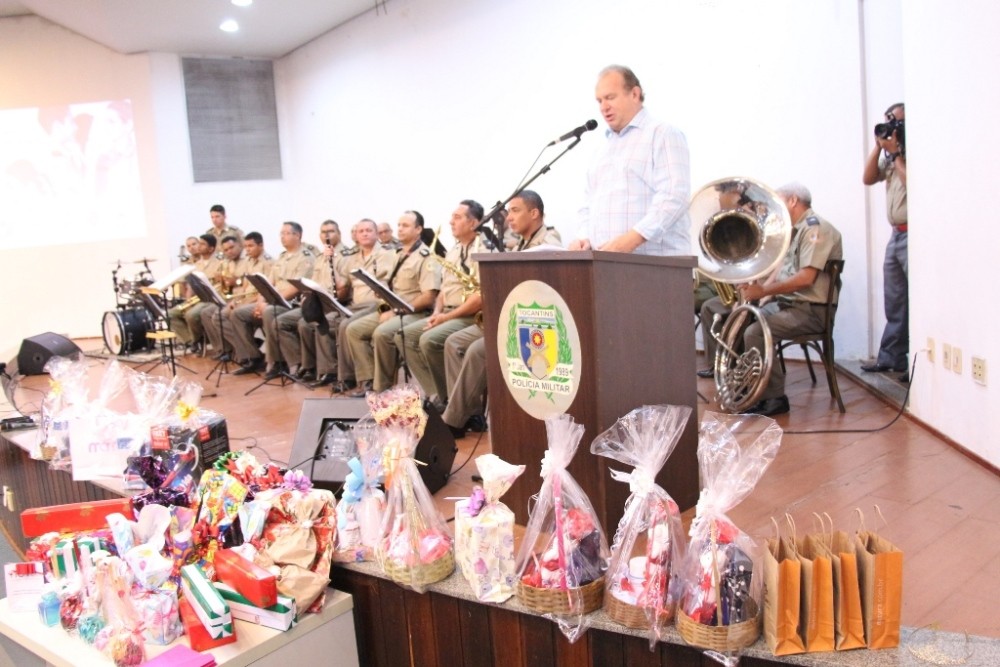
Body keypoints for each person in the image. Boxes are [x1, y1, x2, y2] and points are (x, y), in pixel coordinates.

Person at [440, 190, 563, 437]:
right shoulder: (519, 243)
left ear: (534, 213)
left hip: (536, 324)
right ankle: (467, 412)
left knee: (477, 351)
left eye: (515, 211)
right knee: (454, 342)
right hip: (512, 317)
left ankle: (452, 421)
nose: (508, 218)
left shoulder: (549, 241)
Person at [735, 182, 843, 416]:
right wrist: (759, 289)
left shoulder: (816, 229)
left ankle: (774, 398)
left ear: (793, 201)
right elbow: (782, 272)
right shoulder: (796, 231)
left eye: (779, 201)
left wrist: (764, 292)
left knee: (756, 331)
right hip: (792, 305)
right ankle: (749, 388)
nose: (774, 208)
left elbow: (806, 278)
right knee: (743, 321)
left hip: (811, 311)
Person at [568, 64, 691, 256]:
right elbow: (588, 204)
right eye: (599, 101)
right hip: (606, 266)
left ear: (635, 94)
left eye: (610, 97)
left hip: (657, 266)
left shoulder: (662, 134)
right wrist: (584, 238)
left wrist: (631, 240)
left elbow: (674, 196)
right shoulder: (601, 149)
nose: (603, 107)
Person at [397, 200, 488, 405]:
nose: (450, 222)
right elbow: (443, 291)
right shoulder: (453, 250)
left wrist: (445, 317)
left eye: (457, 217)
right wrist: (436, 313)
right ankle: (439, 394)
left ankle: (458, 404)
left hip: (468, 315)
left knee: (429, 340)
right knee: (405, 335)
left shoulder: (484, 249)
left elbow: (480, 298)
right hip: (447, 312)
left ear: (473, 223)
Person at [345, 211, 440, 395]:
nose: (400, 229)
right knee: (353, 329)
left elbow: (429, 297)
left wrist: (396, 312)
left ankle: (382, 389)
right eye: (399, 225)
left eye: (405, 225)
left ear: (418, 229)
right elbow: (387, 290)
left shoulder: (426, 257)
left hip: (415, 313)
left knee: (382, 334)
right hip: (394, 309)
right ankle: (368, 380)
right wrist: (383, 308)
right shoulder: (397, 254)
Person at [861, 102, 909, 382]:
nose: (891, 125)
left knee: (912, 300)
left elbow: (916, 185)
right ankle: (891, 358)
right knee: (894, 300)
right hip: (896, 234)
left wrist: (898, 156)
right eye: (889, 120)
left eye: (896, 121)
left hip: (913, 233)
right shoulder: (890, 156)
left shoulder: (909, 155)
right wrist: (879, 147)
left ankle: (913, 364)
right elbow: (867, 178)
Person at [232, 222, 315, 377]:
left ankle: (278, 362)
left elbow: (296, 287)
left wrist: (269, 303)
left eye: (286, 233)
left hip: (292, 303)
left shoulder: (306, 258)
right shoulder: (282, 257)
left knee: (270, 312)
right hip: (274, 301)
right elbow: (268, 282)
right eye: (281, 234)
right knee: (238, 314)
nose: (282, 237)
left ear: (297, 235)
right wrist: (260, 302)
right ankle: (253, 357)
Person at [324, 219, 392, 391]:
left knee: (347, 325)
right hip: (356, 305)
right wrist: (329, 261)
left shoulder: (386, 255)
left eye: (369, 230)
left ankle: (357, 378)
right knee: (330, 321)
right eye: (361, 231)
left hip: (376, 303)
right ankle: (343, 374)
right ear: (356, 235)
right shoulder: (352, 259)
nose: (365, 233)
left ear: (376, 234)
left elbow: (388, 285)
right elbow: (342, 285)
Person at [274, 220, 346, 381]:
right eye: (323, 232)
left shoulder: (345, 255)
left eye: (331, 231)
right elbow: (314, 282)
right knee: (284, 321)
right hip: (318, 302)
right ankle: (306, 366)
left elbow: (344, 287)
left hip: (335, 303)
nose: (326, 235)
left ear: (339, 234)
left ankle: (329, 370)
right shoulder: (320, 257)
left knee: (312, 323)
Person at [202, 231, 272, 361]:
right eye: (246, 246)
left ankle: (250, 354)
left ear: (261, 245)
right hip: (245, 297)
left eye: (250, 246)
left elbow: (265, 290)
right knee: (218, 315)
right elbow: (246, 286)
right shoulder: (250, 262)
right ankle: (245, 350)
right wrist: (238, 300)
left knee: (229, 314)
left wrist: (242, 302)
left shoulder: (268, 262)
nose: (247, 250)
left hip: (259, 300)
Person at [169, 233, 221, 353]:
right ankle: (190, 341)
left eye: (201, 244)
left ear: (211, 249)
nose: (198, 247)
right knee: (170, 314)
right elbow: (191, 286)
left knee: (191, 315)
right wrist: (188, 300)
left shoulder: (219, 263)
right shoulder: (195, 265)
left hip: (209, 299)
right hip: (196, 298)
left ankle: (197, 341)